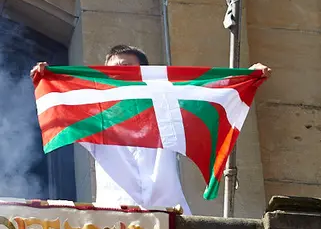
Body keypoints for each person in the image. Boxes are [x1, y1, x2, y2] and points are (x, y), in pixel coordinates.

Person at [31, 45, 270, 214]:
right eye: (112, 71)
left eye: (125, 68)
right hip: (117, 217)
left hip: (167, 213)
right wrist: (46, 79)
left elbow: (209, 95)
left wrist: (248, 77)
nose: (118, 76)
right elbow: (61, 110)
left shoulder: (168, 107)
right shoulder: (96, 116)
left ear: (142, 72)